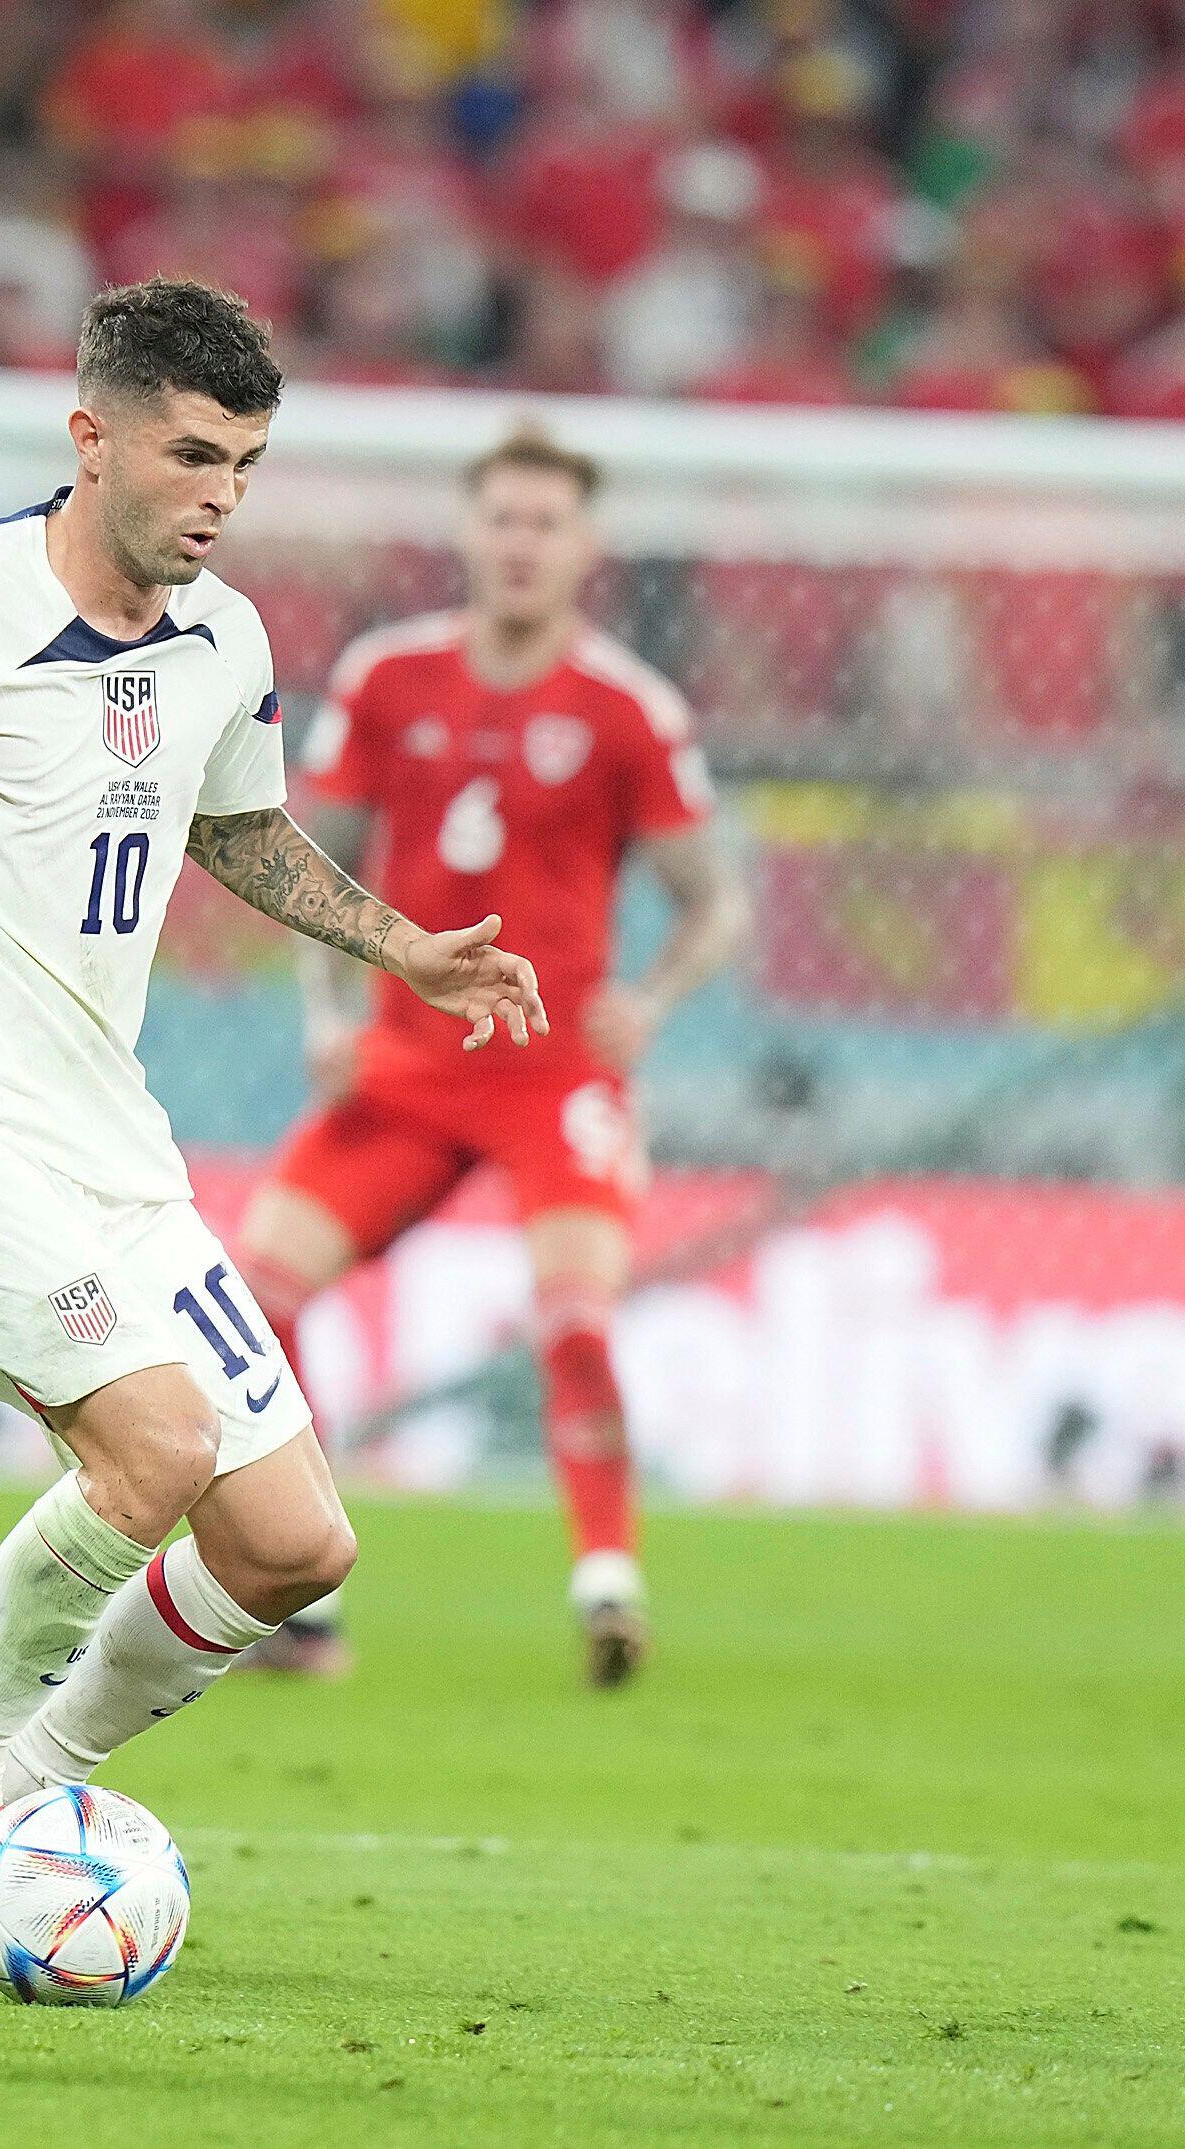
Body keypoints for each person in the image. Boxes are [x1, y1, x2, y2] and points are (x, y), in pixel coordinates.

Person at [0, 277, 546, 1927]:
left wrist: (400, 941)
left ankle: (19, 1787)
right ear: (94, 435)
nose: (220, 496)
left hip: (110, 1151)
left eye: (248, 466)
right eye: (194, 455)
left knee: (289, 1542)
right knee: (156, 1441)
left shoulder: (229, 638)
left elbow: (239, 831)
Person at [238, 429, 748, 1687]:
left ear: (585, 549)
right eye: (504, 520)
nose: (522, 544)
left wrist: (652, 999)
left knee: (575, 1312)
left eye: (546, 524)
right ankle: (302, 1602)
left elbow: (713, 901)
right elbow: (312, 853)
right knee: (263, 1294)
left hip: (557, 1068)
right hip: (409, 1063)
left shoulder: (629, 706)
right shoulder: (388, 676)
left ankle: (607, 1583)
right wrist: (326, 1010)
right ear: (471, 535)